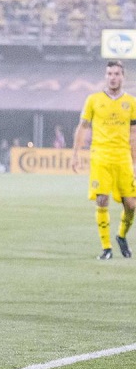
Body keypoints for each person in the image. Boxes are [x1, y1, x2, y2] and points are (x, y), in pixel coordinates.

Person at [71, 60, 136, 260]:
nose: (112, 77)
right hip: (100, 155)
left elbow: (134, 133)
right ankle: (106, 248)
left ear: (123, 77)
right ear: (105, 76)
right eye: (109, 73)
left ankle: (121, 236)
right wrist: (75, 154)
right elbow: (83, 127)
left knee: (131, 205)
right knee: (102, 199)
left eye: (116, 73)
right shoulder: (93, 100)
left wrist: (134, 161)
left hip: (123, 156)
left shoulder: (131, 103)